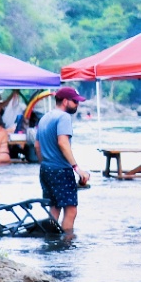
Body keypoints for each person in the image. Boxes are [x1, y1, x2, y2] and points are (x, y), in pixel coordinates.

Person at [34, 86, 88, 232]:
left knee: (54, 208)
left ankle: (51, 240)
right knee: (71, 211)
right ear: (65, 101)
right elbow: (63, 143)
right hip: (61, 170)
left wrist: (44, 163)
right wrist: (77, 168)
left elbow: (37, 146)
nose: (78, 105)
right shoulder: (64, 117)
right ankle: (66, 246)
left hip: (46, 169)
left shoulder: (45, 117)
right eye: (75, 101)